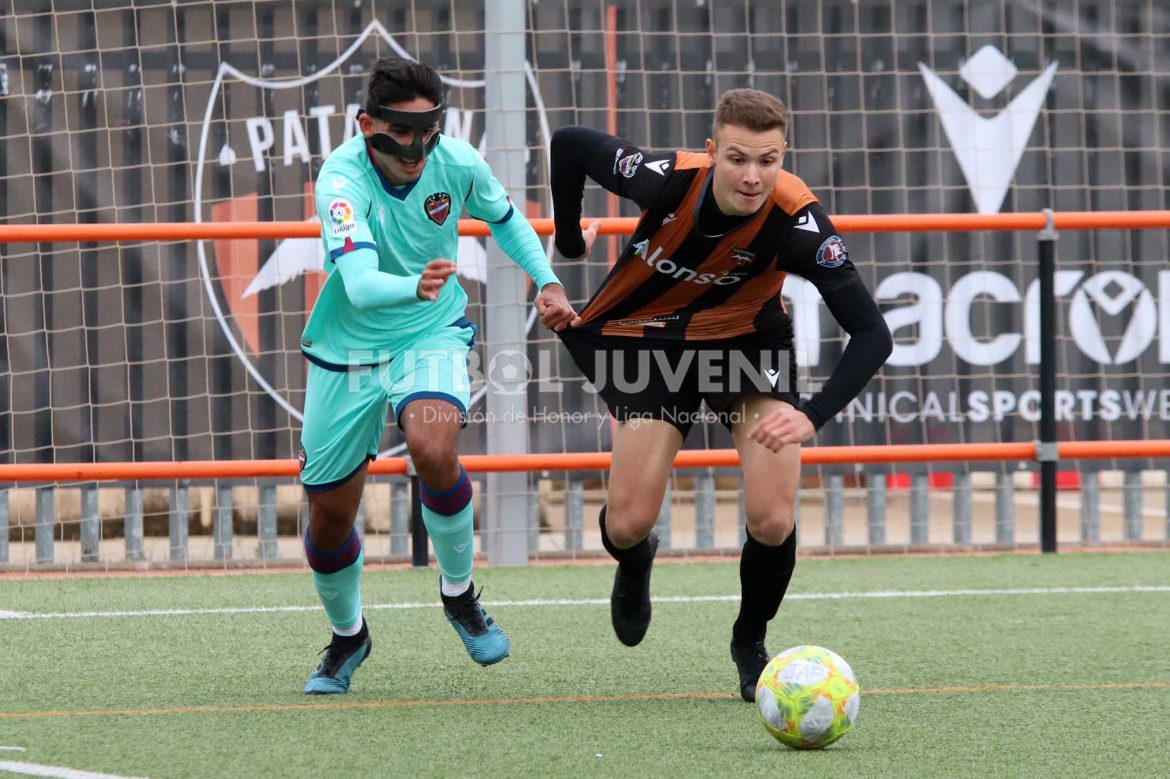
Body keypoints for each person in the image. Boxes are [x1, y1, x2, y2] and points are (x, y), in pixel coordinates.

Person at [549, 88, 892, 701]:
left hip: (748, 347)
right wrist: (570, 242)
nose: (753, 176)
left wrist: (812, 416)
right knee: (625, 525)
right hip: (652, 341)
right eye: (737, 159)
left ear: (784, 156)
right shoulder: (665, 179)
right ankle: (635, 559)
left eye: (768, 160)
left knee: (773, 517)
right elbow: (569, 143)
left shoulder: (800, 223)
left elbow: (872, 334)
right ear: (712, 152)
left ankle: (750, 640)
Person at [298, 57, 577, 694]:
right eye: (399, 132)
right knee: (329, 520)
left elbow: (505, 218)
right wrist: (413, 284)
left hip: (430, 334)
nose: (416, 149)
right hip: (346, 350)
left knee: (431, 446)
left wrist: (547, 280)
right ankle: (349, 636)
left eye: (427, 132)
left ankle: (459, 594)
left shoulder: (457, 162)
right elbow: (361, 286)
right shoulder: (341, 179)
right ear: (366, 124)